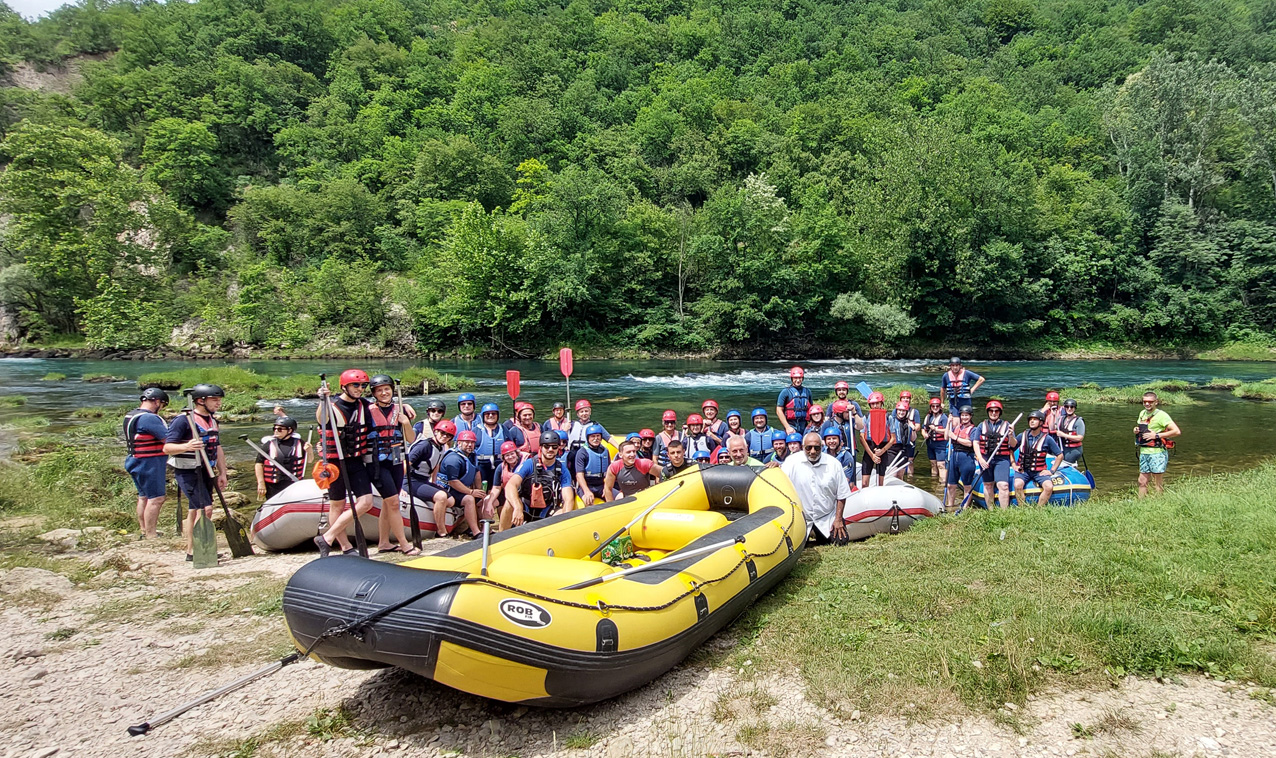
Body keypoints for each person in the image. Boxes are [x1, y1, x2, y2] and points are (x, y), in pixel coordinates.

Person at [312, 370, 376, 556]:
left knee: (366, 502)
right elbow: (321, 419)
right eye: (356, 385)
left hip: (355, 460)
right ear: (344, 386)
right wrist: (322, 400)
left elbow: (381, 408)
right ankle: (345, 547)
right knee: (337, 504)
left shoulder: (364, 405)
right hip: (334, 463)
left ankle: (327, 537)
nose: (360, 389)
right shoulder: (331, 406)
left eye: (363, 386)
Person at [164, 383, 227, 561]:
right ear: (200, 401)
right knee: (205, 509)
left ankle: (192, 551)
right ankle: (203, 549)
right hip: (188, 471)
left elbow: (218, 447)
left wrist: (222, 472)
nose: (218, 403)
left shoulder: (213, 420)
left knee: (195, 511)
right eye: (214, 400)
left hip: (207, 470)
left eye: (219, 400)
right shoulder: (183, 420)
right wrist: (187, 446)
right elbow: (167, 448)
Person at [366, 374, 419, 555]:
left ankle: (383, 543)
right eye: (379, 390)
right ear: (374, 393)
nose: (384, 393)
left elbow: (410, 438)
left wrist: (405, 423)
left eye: (387, 389)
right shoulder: (367, 410)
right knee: (394, 503)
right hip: (376, 463)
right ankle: (404, 544)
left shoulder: (400, 410)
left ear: (392, 390)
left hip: (396, 460)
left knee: (389, 504)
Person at [781, 432, 851, 545]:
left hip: (827, 516)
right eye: (808, 448)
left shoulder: (834, 464)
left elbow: (842, 494)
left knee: (840, 541)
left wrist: (838, 520)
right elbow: (781, 487)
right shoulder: (790, 462)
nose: (813, 451)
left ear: (822, 447)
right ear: (803, 447)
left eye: (816, 448)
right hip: (802, 518)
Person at [124, 387, 170, 539]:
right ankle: (151, 535)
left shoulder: (131, 415)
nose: (161, 409)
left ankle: (144, 530)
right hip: (149, 462)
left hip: (134, 460)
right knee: (156, 498)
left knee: (143, 496)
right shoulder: (149, 418)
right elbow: (167, 439)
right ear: (157, 402)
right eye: (162, 406)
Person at [502, 431, 573, 529]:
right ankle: (502, 535)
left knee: (562, 513)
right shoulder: (529, 464)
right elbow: (511, 485)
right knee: (509, 503)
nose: (550, 449)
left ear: (558, 449)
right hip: (526, 507)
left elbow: (568, 498)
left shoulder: (562, 470)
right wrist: (518, 507)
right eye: (546, 446)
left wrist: (565, 519)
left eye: (554, 447)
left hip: (547, 510)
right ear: (540, 447)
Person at [405, 419, 456, 536]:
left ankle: (432, 509)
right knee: (441, 496)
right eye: (442, 433)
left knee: (451, 500)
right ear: (436, 431)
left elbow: (436, 465)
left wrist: (434, 482)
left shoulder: (441, 448)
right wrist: (399, 488)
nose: (444, 437)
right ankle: (441, 531)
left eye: (448, 435)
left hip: (422, 480)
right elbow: (405, 463)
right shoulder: (424, 445)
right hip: (410, 480)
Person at [437, 429, 485, 537]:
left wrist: (480, 491)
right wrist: (471, 492)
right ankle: (476, 532)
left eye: (472, 442)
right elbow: (453, 481)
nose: (470, 445)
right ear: (459, 443)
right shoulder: (453, 459)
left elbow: (476, 472)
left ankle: (484, 528)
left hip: (459, 490)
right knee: (469, 499)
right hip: (448, 490)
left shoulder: (471, 456)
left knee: (482, 499)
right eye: (466, 442)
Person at [971, 400, 1015, 509]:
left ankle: (1004, 512)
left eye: (996, 411)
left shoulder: (1007, 425)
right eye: (991, 411)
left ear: (1000, 412)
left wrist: (1010, 435)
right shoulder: (982, 425)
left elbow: (1013, 444)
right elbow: (975, 442)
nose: (994, 413)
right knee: (988, 484)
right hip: (986, 458)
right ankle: (991, 510)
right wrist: (980, 459)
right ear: (988, 412)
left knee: (1003, 486)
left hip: (1002, 459)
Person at [1135, 391, 1181, 497]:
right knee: (1142, 481)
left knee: (1157, 483)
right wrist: (1136, 430)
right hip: (1144, 452)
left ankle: (1158, 503)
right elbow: (1142, 428)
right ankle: (1140, 504)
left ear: (1156, 402)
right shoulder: (1142, 413)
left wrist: (1156, 435)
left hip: (1157, 453)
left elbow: (1176, 431)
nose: (1147, 404)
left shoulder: (1162, 415)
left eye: (1150, 402)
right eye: (1144, 401)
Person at [1013, 410, 1064, 505]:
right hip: (1023, 470)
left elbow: (1060, 455)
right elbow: (1010, 449)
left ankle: (1039, 509)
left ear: (1041, 422)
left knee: (1048, 487)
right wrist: (1013, 465)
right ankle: (1022, 508)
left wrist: (1052, 471)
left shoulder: (1047, 439)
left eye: (1035, 420)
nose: (1032, 421)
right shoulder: (1022, 436)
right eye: (1030, 419)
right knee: (1017, 485)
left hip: (1039, 471)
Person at [254, 415, 308, 502]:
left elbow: (309, 461)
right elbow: (259, 464)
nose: (276, 431)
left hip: (293, 484)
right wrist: (261, 483)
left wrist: (309, 451)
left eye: (279, 429)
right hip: (273, 486)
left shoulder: (300, 443)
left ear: (290, 430)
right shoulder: (268, 444)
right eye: (274, 428)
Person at [474, 402, 523, 489]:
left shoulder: (503, 429)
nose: (490, 415)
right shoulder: (477, 430)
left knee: (499, 488)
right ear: (483, 415)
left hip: (500, 464)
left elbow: (512, 447)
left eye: (493, 413)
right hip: (482, 466)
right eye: (487, 414)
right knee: (483, 489)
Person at [858, 392, 896, 488]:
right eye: (873, 404)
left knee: (880, 483)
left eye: (877, 403)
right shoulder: (866, 417)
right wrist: (872, 455)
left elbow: (893, 439)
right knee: (864, 483)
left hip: (883, 448)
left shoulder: (889, 417)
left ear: (881, 403)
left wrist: (882, 451)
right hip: (869, 448)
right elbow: (861, 437)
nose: (875, 406)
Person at [487, 441, 528, 525]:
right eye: (507, 455)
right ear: (503, 457)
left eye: (512, 453)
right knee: (487, 501)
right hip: (509, 494)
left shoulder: (526, 463)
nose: (510, 457)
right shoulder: (501, 467)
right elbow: (496, 488)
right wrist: (489, 502)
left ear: (516, 453)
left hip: (525, 495)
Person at [946, 405, 977, 511]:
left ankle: (965, 508)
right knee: (950, 485)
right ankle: (950, 506)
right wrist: (948, 423)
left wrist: (956, 437)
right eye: (963, 415)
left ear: (970, 416)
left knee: (967, 485)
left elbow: (970, 443)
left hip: (966, 458)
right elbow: (946, 436)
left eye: (966, 415)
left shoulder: (974, 429)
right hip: (954, 456)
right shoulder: (956, 427)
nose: (964, 418)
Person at [574, 423, 613, 505]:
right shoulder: (582, 452)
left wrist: (607, 487)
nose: (596, 439)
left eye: (598, 436)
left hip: (601, 484)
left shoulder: (605, 451)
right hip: (587, 485)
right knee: (588, 500)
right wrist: (587, 491)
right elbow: (579, 475)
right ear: (588, 438)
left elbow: (609, 472)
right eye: (593, 436)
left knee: (619, 497)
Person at [776, 366, 812, 435]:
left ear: (802, 378)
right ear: (792, 379)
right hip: (791, 426)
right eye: (795, 378)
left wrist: (810, 424)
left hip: (805, 426)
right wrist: (787, 427)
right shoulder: (785, 392)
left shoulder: (807, 392)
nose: (798, 380)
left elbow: (811, 410)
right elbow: (779, 410)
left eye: (800, 378)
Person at [921, 397, 949, 484]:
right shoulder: (928, 417)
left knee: (941, 465)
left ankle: (942, 483)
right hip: (930, 444)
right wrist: (924, 434)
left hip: (940, 444)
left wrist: (936, 429)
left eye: (937, 406)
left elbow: (947, 430)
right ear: (931, 407)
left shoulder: (944, 418)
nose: (935, 408)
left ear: (940, 407)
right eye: (933, 406)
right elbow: (923, 428)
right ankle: (934, 483)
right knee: (933, 464)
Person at [886, 401, 916, 479]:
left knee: (900, 475)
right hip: (892, 450)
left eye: (903, 411)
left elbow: (913, 438)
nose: (901, 412)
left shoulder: (908, 423)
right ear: (896, 411)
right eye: (899, 410)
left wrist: (913, 428)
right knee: (893, 475)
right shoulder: (891, 420)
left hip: (904, 450)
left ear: (906, 412)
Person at [896, 391, 922, 476]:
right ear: (900, 399)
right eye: (903, 398)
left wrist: (912, 426)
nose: (905, 399)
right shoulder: (896, 410)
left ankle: (910, 479)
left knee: (910, 460)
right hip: (899, 439)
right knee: (897, 460)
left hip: (910, 438)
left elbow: (918, 427)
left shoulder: (915, 412)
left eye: (907, 398)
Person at [1055, 399, 1086, 465]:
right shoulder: (1060, 419)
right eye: (1067, 407)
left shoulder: (1079, 421)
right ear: (1064, 408)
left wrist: (1064, 435)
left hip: (1073, 450)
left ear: (1074, 408)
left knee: (1065, 464)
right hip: (1063, 448)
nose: (1069, 409)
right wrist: (1052, 414)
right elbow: (1052, 427)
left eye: (1071, 407)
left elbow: (1080, 438)